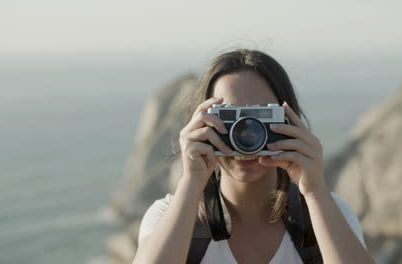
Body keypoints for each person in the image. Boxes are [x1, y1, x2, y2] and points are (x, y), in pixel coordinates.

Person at [132, 49, 375, 264]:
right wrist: (191, 182)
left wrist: (315, 192)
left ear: (288, 121)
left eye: (259, 117)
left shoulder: (328, 214)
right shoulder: (167, 216)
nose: (246, 132)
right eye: (230, 118)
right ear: (202, 123)